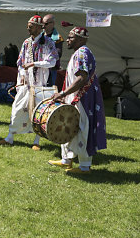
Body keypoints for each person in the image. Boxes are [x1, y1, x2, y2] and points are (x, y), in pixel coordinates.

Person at [48, 27, 106, 174]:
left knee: (81, 128)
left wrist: (63, 93)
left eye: (71, 37)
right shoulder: (80, 53)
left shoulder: (82, 54)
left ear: (80, 39)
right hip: (75, 96)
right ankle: (66, 160)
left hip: (82, 98)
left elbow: (82, 78)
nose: (67, 39)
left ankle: (85, 167)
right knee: (68, 125)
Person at [0, 15, 58, 150]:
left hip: (40, 83)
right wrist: (22, 73)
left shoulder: (48, 42)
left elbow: (52, 61)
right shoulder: (26, 42)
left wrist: (34, 64)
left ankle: (36, 141)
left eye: (30, 26)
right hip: (26, 83)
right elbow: (20, 62)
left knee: (39, 111)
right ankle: (10, 137)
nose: (27, 28)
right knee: (17, 107)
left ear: (38, 27)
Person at [42, 14, 64, 86]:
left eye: (46, 24)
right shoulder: (40, 36)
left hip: (51, 69)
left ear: (53, 23)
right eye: (42, 23)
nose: (43, 26)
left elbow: (58, 54)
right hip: (39, 68)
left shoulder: (57, 38)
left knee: (48, 90)